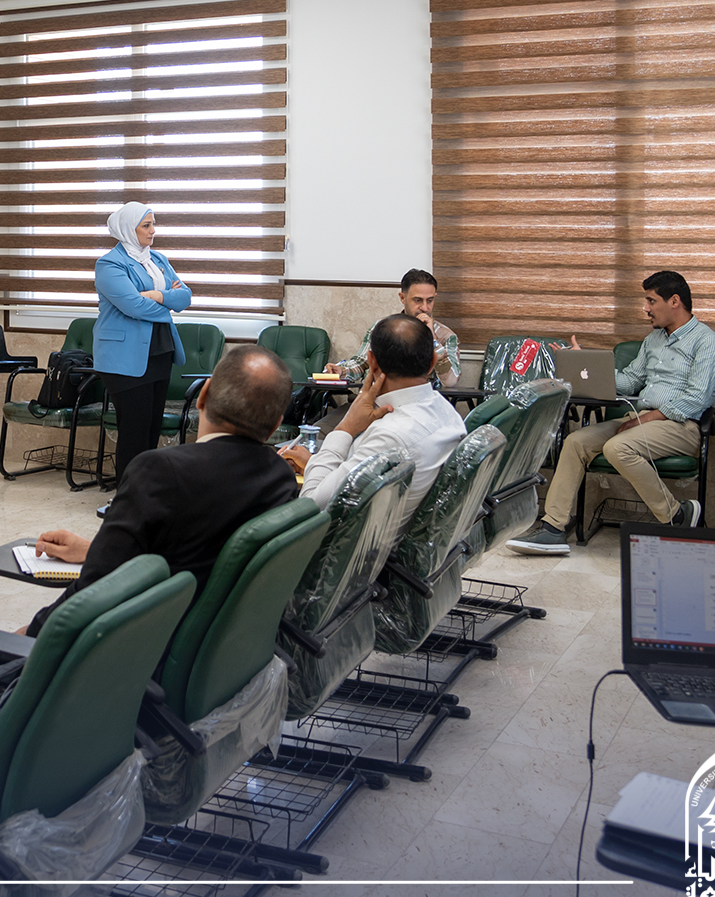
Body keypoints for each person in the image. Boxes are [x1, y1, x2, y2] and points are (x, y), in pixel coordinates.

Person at [28, 346, 299, 637]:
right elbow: (202, 558)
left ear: (203, 394)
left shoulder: (159, 470)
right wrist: (94, 550)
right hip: (215, 647)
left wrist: (32, 633)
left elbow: (91, 593)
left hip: (142, 647)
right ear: (276, 425)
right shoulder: (281, 477)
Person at [508, 270, 715, 554]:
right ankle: (553, 528)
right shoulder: (654, 340)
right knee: (575, 442)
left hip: (681, 426)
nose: (646, 308)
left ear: (674, 301)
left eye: (651, 301)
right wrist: (584, 364)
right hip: (639, 419)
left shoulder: (707, 342)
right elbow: (629, 381)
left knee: (618, 447)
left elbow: (698, 398)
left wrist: (646, 418)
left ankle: (676, 515)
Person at [281, 312, 466, 518]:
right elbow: (352, 478)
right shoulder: (448, 413)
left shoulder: (388, 437)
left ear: (372, 363)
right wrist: (313, 465)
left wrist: (345, 428)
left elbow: (312, 505)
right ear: (432, 362)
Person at [93, 201, 191, 481]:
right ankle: (127, 495)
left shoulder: (157, 259)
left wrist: (157, 295)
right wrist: (167, 300)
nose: (153, 231)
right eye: (146, 225)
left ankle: (145, 492)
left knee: (151, 429)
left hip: (160, 350)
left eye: (153, 224)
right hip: (123, 357)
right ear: (128, 229)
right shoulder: (109, 264)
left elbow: (185, 297)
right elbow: (134, 306)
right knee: (134, 430)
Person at [327, 268, 461, 385]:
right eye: (418, 300)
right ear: (402, 298)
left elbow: (450, 382)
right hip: (379, 397)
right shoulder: (383, 327)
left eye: (430, 301)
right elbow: (361, 363)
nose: (425, 308)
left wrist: (433, 339)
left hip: (421, 400)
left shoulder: (446, 336)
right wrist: (342, 371)